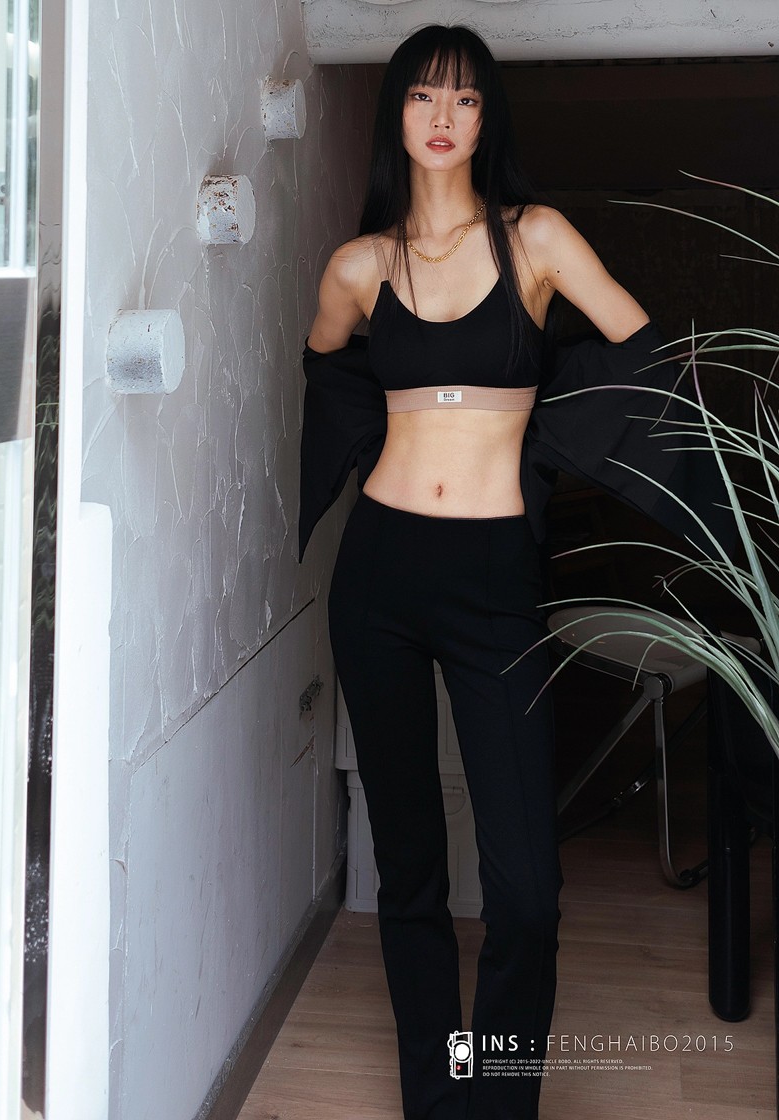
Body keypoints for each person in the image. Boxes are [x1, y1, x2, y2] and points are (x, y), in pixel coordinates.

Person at [298, 22, 735, 1120]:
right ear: (396, 115)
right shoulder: (357, 265)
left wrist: (541, 448)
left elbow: (643, 352)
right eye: (421, 96)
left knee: (527, 892)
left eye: (465, 98)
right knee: (407, 869)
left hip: (494, 575)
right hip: (379, 575)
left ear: (487, 118)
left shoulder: (533, 238)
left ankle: (492, 1096)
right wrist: (372, 449)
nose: (442, 117)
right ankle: (434, 1097)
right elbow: (327, 373)